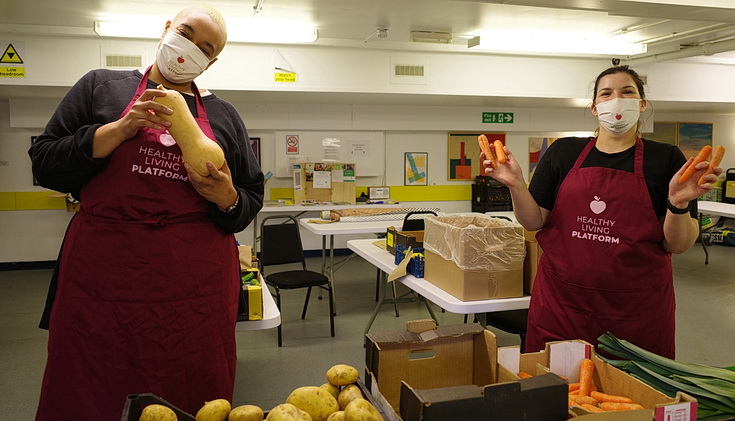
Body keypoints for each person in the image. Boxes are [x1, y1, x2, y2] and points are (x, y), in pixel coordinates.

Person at [29, 5, 264, 419]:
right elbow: (45, 162)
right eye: (187, 33)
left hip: (194, 287)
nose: (190, 48)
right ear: (167, 28)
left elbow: (249, 200)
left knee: (189, 386)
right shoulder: (102, 87)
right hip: (104, 280)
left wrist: (226, 195)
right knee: (91, 380)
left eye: (205, 48)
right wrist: (118, 130)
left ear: (212, 62)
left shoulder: (224, 115)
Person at [482, 65, 721, 359]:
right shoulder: (563, 153)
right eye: (606, 94)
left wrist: (678, 203)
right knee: (553, 391)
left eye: (627, 92)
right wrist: (516, 184)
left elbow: (678, 244)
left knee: (635, 399)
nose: (616, 100)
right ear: (595, 108)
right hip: (562, 305)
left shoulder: (666, 159)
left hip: (636, 313)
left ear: (642, 104)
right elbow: (534, 221)